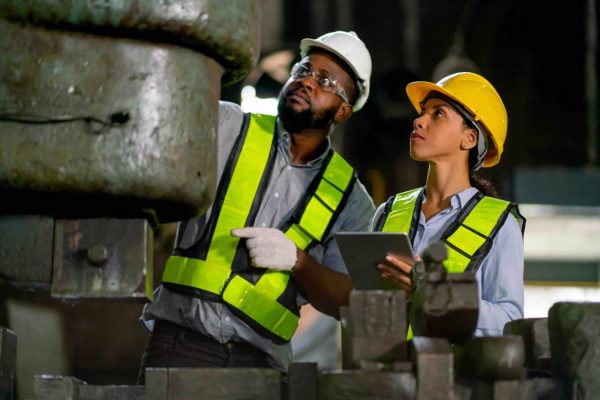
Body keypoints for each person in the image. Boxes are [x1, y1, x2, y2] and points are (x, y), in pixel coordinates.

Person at [137, 31, 375, 380]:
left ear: (343, 110)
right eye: (302, 69)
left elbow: (346, 300)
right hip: (182, 346)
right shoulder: (228, 125)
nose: (306, 81)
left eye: (325, 81)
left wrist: (299, 261)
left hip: (262, 365)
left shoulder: (351, 200)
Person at [372, 72, 526, 336]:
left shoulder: (500, 226)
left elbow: (509, 320)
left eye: (438, 114)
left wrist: (437, 295)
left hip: (453, 374)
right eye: (423, 112)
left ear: (469, 139)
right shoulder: (387, 212)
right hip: (385, 372)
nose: (418, 121)